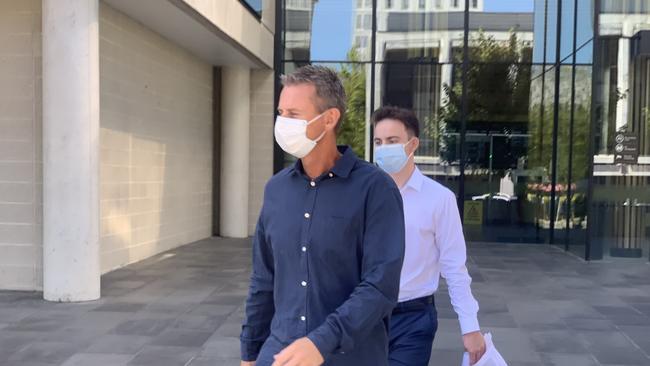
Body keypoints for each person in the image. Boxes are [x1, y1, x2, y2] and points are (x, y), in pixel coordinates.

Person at [240, 66, 406, 366]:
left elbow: (380, 285)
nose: (283, 123)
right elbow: (263, 279)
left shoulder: (375, 189)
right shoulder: (276, 190)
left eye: (293, 113)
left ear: (329, 118)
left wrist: (321, 341)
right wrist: (250, 353)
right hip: (279, 355)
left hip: (351, 358)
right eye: (281, 112)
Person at [372, 106, 486, 366]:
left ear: (413, 144)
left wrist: (470, 326)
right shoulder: (363, 194)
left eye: (392, 141)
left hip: (414, 317)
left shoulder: (439, 199)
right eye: (378, 142)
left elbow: (454, 266)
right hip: (368, 314)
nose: (383, 148)